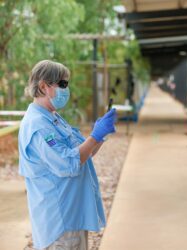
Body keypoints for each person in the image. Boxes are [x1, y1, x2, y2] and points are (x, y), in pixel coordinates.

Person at [18, 60, 117, 250]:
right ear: (43, 86)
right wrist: (95, 135)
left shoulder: (53, 118)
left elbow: (82, 155)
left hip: (72, 216)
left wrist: (99, 136)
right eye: (62, 84)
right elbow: (68, 164)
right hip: (59, 222)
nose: (66, 89)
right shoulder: (38, 126)